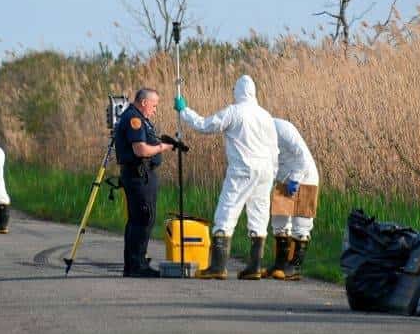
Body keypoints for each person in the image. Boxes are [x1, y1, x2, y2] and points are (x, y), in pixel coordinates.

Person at [174, 75, 279, 280]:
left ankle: (218, 267)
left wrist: (184, 111)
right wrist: (273, 173)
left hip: (242, 170)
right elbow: (274, 149)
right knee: (259, 216)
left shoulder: (234, 111)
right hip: (265, 171)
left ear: (237, 91)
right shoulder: (266, 115)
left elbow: (206, 125)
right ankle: (255, 267)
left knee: (226, 212)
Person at [115, 88, 173, 278]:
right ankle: (136, 265)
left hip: (143, 175)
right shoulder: (135, 119)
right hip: (138, 175)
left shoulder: (141, 119)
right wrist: (161, 147)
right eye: (154, 105)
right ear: (144, 102)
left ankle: (135, 262)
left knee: (139, 219)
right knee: (143, 218)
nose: (155, 110)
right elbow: (140, 150)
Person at [263, 118, 320, 280]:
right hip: (283, 179)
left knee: (301, 224)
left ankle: (294, 267)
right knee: (279, 222)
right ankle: (279, 265)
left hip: (305, 177)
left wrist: (295, 178)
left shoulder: (283, 128)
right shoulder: (258, 132)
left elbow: (301, 155)